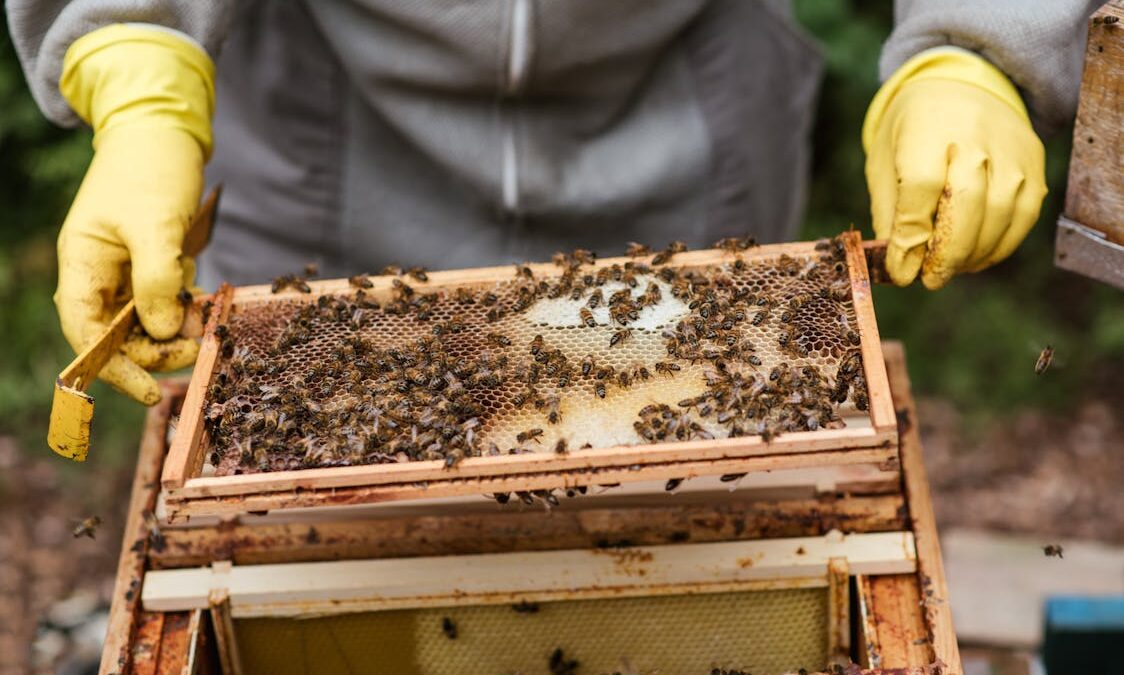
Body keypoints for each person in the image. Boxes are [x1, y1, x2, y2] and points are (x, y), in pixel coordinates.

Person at [7, 1, 1096, 405]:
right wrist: (133, 47)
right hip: (317, 129)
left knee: (697, 514)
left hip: (688, 103)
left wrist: (975, 46)